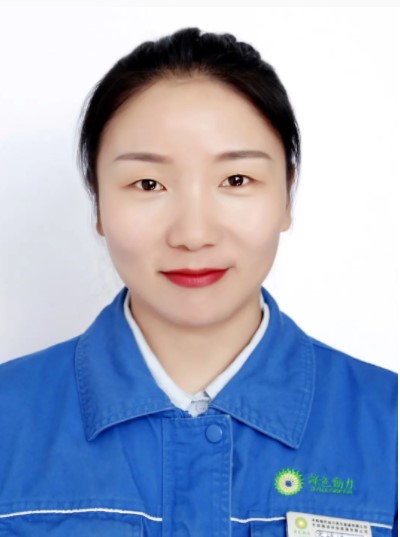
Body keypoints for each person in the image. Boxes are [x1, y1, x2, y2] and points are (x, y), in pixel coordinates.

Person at [0, 27, 397, 537]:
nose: (193, 235)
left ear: (287, 195)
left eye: (236, 180)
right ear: (98, 202)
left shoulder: (389, 425)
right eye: (148, 184)